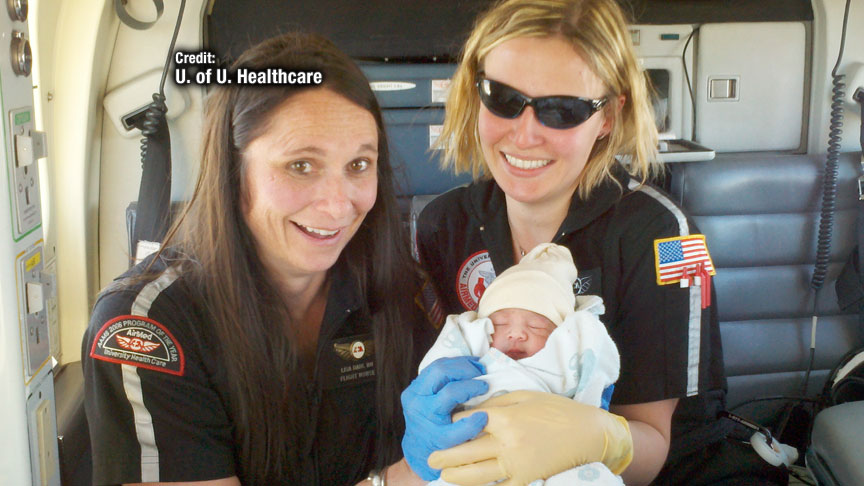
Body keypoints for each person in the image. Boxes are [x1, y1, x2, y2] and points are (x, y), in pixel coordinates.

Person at [402, 0, 789, 484]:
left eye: (562, 110)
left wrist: (598, 440)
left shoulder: (670, 234)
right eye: (502, 98)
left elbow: (654, 445)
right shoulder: (440, 224)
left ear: (608, 117)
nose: (525, 135)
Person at [82, 32, 433, 486]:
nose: (338, 204)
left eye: (358, 165)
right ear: (233, 170)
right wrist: (400, 479)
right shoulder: (147, 326)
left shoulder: (408, 296)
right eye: (301, 165)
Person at [420, 243, 624, 486]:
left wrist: (600, 432)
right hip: (478, 458)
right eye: (501, 324)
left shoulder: (565, 361)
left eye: (536, 326)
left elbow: (590, 391)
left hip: (555, 457)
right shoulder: (472, 357)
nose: (516, 334)